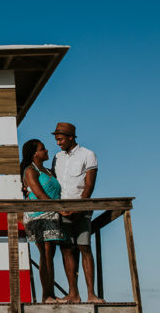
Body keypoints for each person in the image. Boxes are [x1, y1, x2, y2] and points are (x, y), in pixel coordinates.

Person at [50, 122, 104, 303]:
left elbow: (89, 186)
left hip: (82, 209)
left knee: (84, 247)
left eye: (60, 139)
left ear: (70, 137)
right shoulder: (57, 157)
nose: (57, 143)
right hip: (62, 210)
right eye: (56, 139)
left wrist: (78, 209)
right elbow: (55, 184)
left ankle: (91, 294)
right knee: (66, 250)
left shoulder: (88, 155)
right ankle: (74, 294)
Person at [20, 138, 65, 303]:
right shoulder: (30, 171)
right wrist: (60, 209)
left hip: (52, 215)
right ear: (34, 154)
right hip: (37, 215)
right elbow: (39, 194)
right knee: (45, 253)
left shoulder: (48, 171)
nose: (46, 151)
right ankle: (46, 296)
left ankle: (50, 294)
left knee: (50, 255)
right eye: (42, 149)